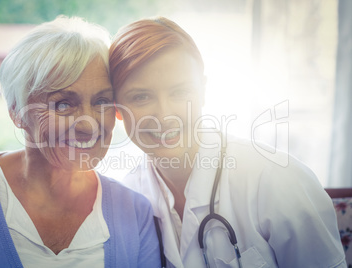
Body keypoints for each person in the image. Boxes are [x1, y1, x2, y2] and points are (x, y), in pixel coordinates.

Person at [109, 16, 346, 267]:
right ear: (117, 110)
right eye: (141, 97)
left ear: (203, 92)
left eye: (180, 92)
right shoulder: (126, 201)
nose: (164, 115)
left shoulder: (279, 180)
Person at [0, 16, 160, 268]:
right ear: (17, 112)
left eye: (101, 101)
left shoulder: (136, 212)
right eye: (64, 103)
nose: (87, 124)